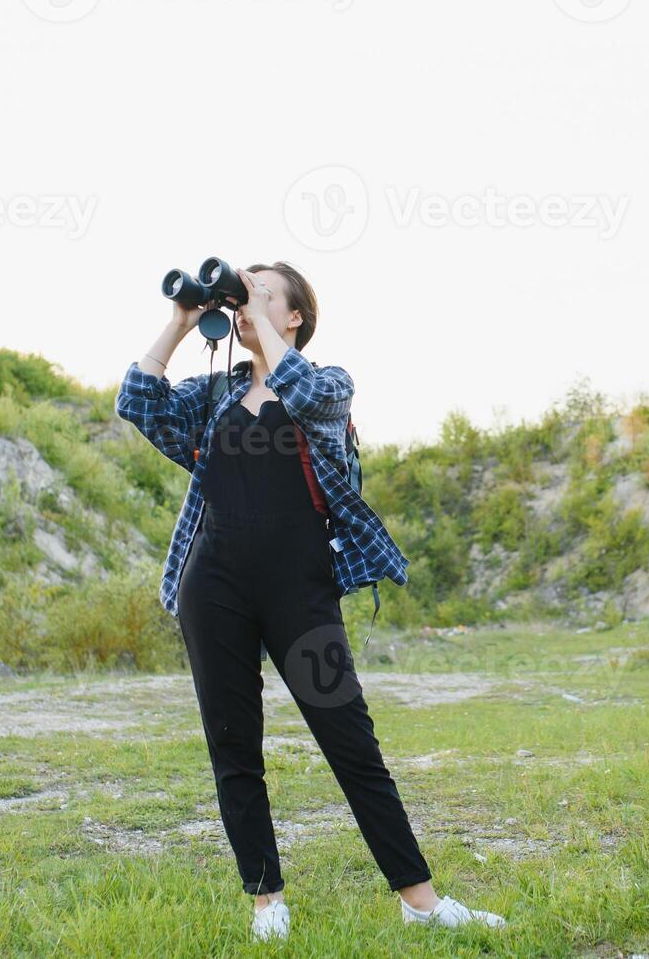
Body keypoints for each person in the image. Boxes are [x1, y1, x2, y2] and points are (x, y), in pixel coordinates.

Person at [115, 261, 505, 941]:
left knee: (350, 740)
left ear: (294, 316)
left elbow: (300, 389)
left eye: (263, 293)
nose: (245, 301)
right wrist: (182, 321)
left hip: (300, 589)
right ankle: (267, 902)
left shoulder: (327, 384)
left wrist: (257, 319)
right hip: (213, 587)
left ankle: (421, 901)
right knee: (234, 746)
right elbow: (138, 403)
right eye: (243, 292)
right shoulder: (213, 395)